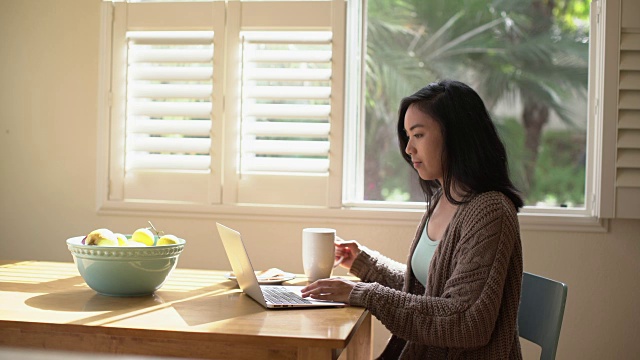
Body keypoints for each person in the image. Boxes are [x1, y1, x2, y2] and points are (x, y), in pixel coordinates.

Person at [301, 79, 524, 359]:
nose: (408, 149)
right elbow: (427, 291)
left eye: (418, 135)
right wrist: (363, 263)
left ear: (456, 135)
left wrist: (362, 293)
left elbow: (466, 322)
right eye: (407, 136)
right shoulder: (442, 200)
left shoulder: (490, 211)